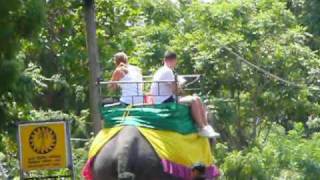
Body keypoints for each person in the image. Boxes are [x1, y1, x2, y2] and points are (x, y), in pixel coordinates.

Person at [150, 51, 219, 138]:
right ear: (174, 60)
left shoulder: (162, 70)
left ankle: (206, 127)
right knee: (194, 100)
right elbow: (175, 91)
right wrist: (181, 85)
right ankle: (202, 127)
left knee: (196, 98)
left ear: (164, 60)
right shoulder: (167, 71)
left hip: (165, 98)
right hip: (165, 101)